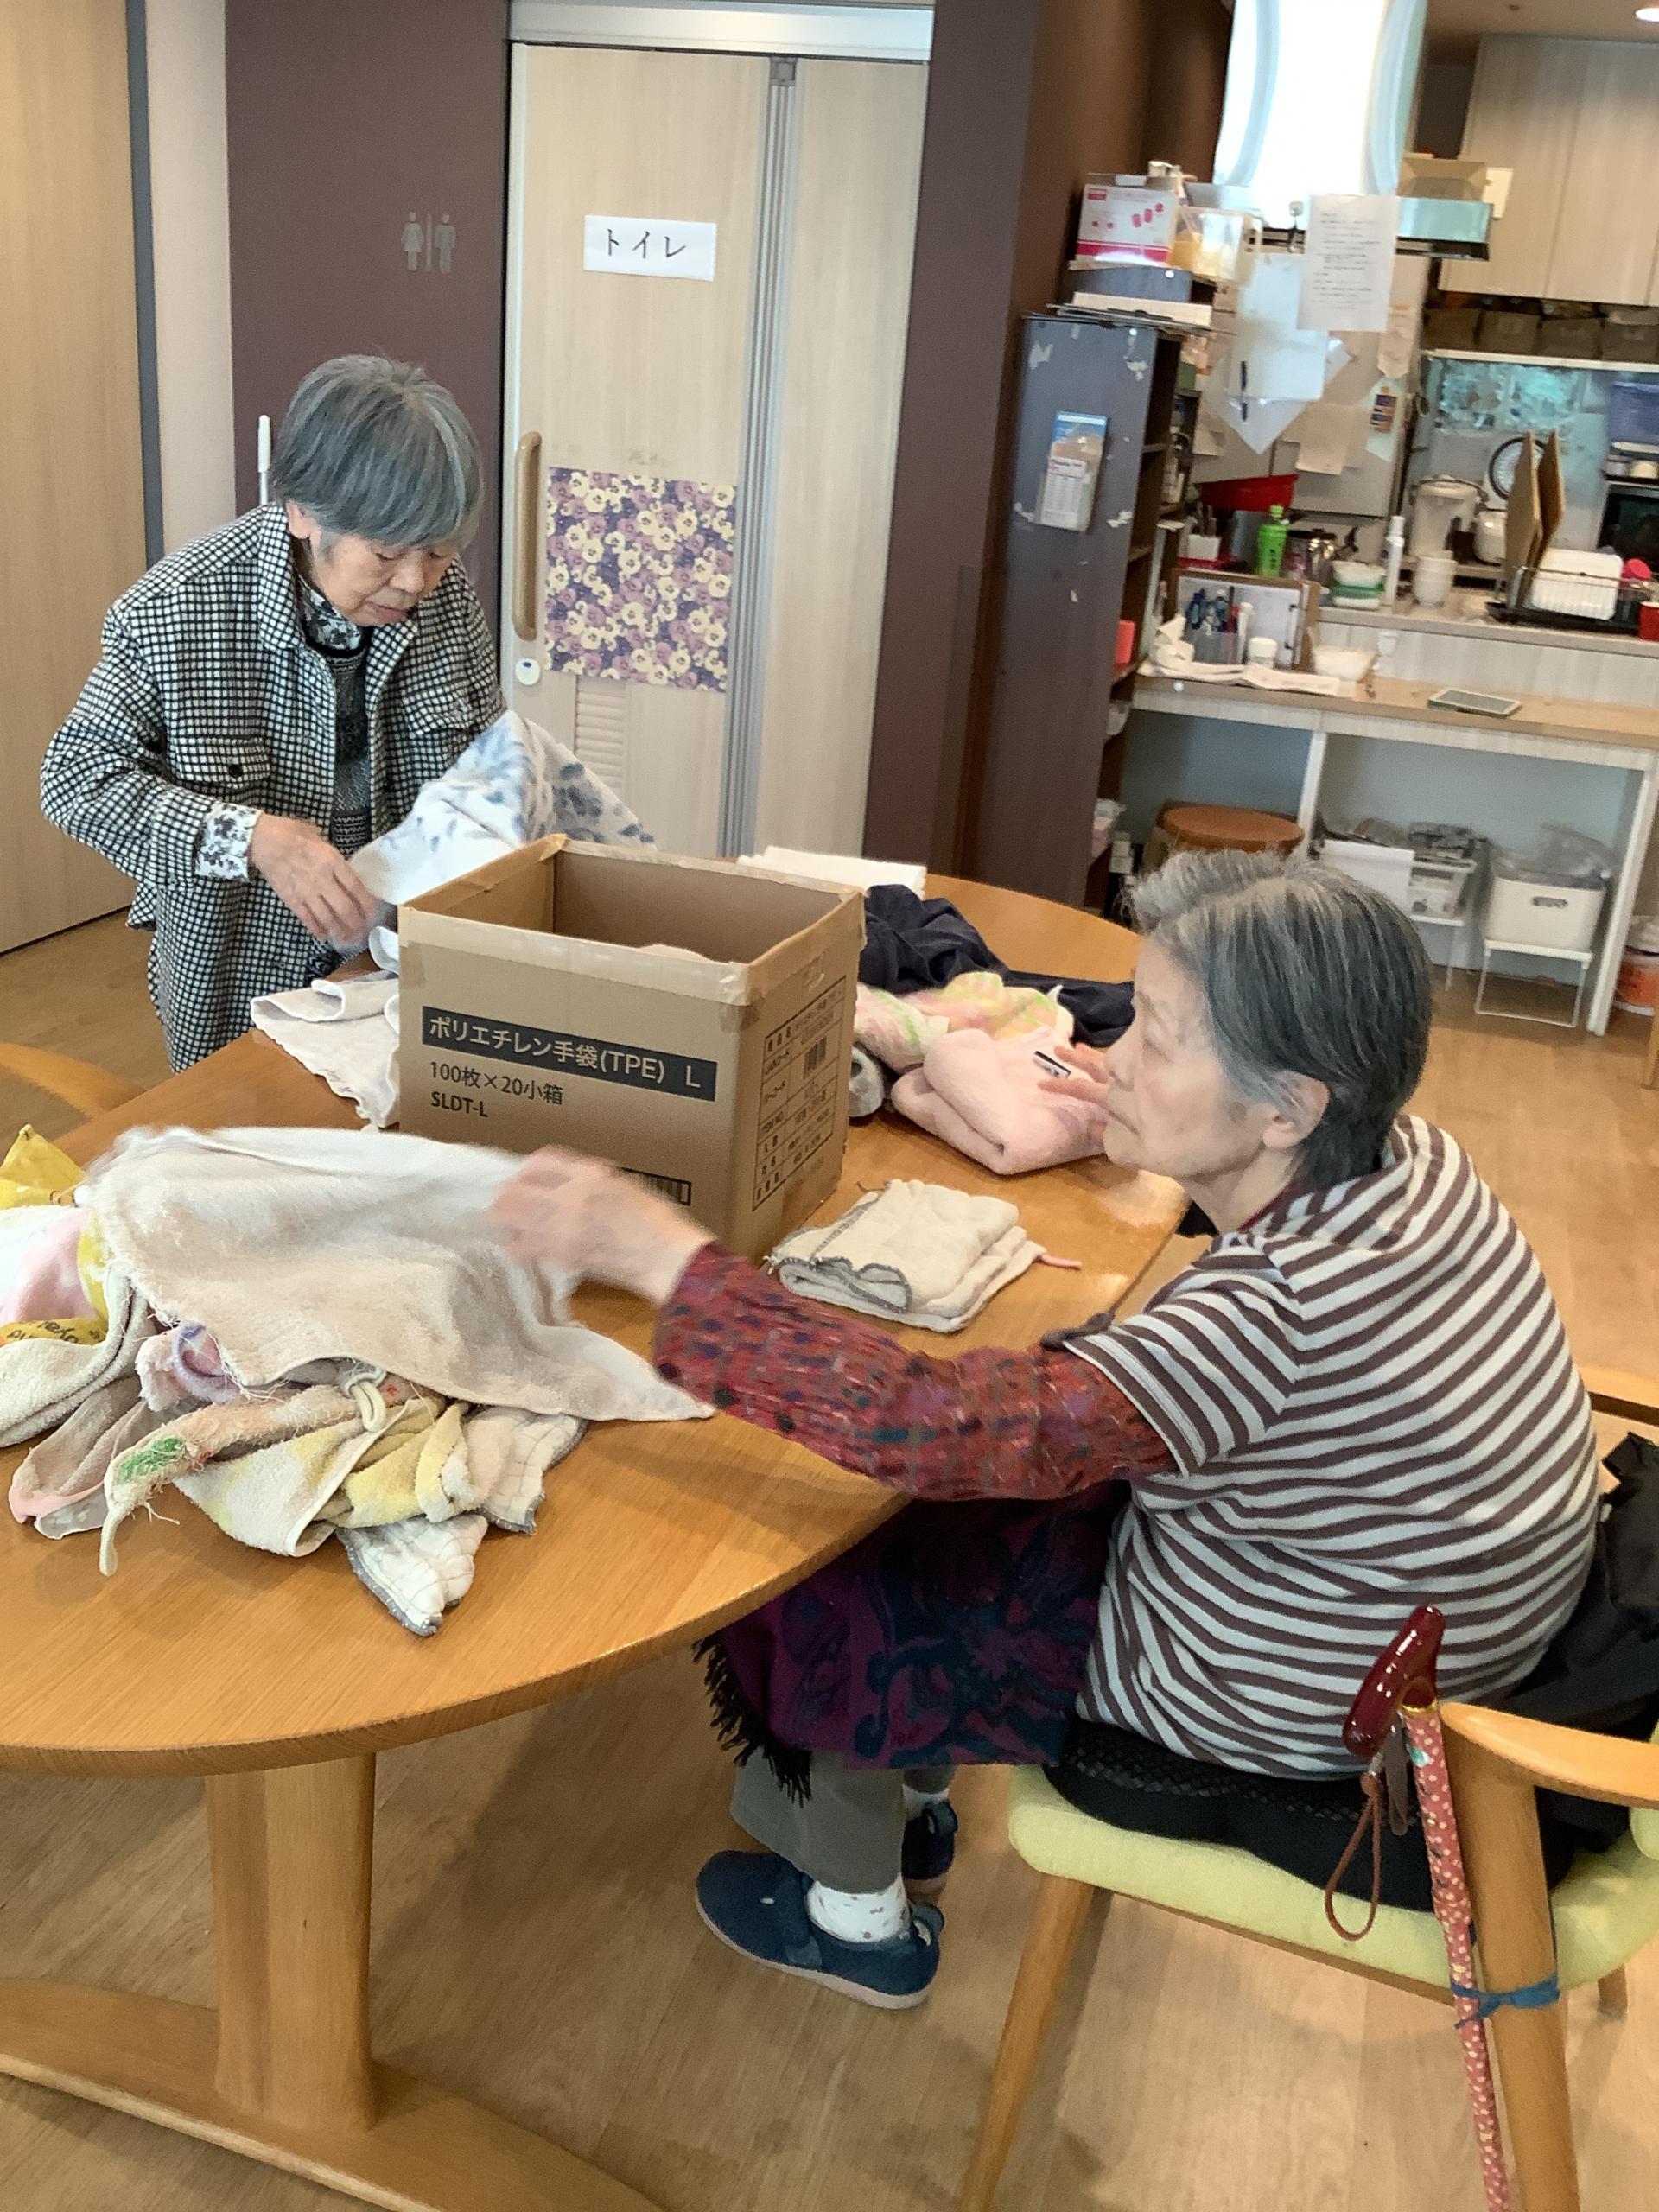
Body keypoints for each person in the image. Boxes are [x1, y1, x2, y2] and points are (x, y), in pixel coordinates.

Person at [489, 851, 1601, 2010]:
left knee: (828, 1543)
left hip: (1290, 1717)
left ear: (1289, 1107)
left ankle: (853, 1913)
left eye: (1158, 1038)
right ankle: (914, 1798)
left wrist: (662, 1255)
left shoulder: (1272, 1315)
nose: (1113, 1058)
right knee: (979, 1457)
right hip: (1427, 1637)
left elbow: (922, 1426)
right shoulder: (1416, 1164)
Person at [41, 354, 503, 1069]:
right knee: (245, 1120)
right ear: (302, 512)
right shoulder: (176, 609)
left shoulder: (444, 595)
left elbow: (488, 761)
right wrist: (252, 838)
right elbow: (76, 780)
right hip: (239, 967)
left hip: (402, 957)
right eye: (385, 554)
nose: (415, 582)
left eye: (439, 554)